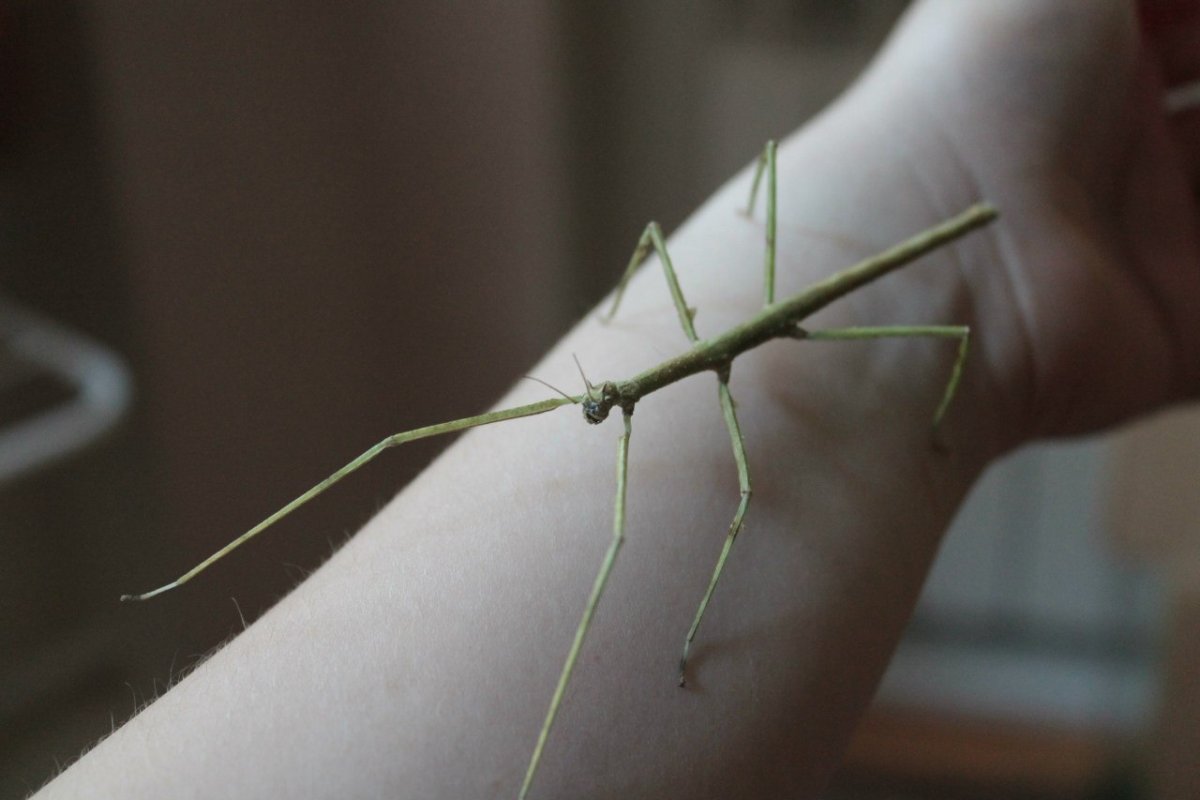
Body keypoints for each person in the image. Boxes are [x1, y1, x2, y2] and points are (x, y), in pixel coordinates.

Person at [34, 1, 1200, 797]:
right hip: (964, 219)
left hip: (966, 224)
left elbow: (740, 507)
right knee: (427, 442)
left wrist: (952, 189)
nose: (604, 406)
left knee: (733, 468)